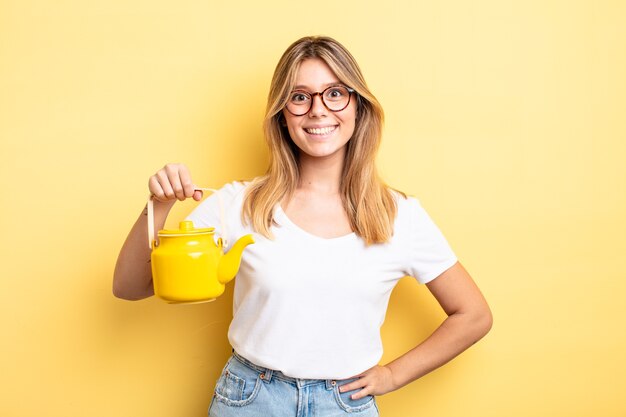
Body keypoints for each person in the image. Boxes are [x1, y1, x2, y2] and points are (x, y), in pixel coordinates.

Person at [113, 35, 492, 417]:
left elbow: (473, 315)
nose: (318, 110)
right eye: (299, 97)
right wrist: (159, 205)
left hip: (346, 405)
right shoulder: (239, 204)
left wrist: (393, 375)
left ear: (357, 107)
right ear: (282, 114)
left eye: (335, 93)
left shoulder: (399, 215)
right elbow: (131, 286)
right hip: (249, 400)